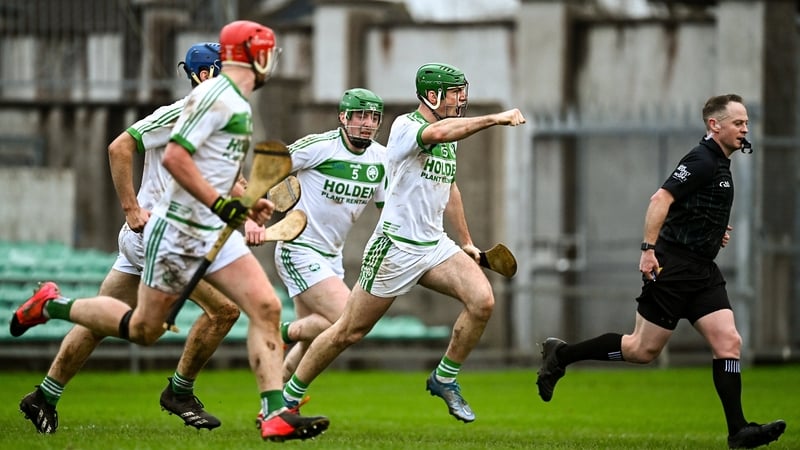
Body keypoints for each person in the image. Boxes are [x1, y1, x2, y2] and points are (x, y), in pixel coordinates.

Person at [9, 20, 329, 442]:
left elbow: (213, 171)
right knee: (146, 329)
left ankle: (274, 413)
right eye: (265, 51)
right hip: (175, 233)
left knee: (265, 308)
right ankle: (53, 305)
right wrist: (138, 208)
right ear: (245, 58)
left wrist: (248, 206)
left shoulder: (238, 104)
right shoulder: (210, 100)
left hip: (206, 230)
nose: (271, 61)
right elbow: (174, 158)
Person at [535, 94, 786, 449]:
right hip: (674, 268)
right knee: (641, 350)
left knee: (728, 342)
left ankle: (739, 431)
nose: (745, 129)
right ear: (715, 125)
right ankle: (561, 355)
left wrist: (713, 231)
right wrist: (648, 250)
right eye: (738, 123)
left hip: (702, 271)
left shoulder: (720, 163)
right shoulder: (701, 159)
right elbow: (661, 200)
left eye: (746, 123)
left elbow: (693, 207)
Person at [281, 62, 526, 424]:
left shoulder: (449, 135)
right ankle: (287, 400)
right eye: (455, 93)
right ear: (431, 95)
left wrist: (468, 242)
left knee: (482, 301)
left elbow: (450, 188)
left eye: (463, 92)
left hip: (434, 245)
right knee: (348, 330)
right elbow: (439, 134)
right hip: (394, 247)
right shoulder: (406, 127)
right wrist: (494, 119)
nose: (462, 100)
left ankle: (444, 378)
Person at [17, 42, 240, 434]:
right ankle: (179, 392)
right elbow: (120, 145)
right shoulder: (182, 113)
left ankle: (44, 394)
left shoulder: (221, 125)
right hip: (155, 235)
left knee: (100, 321)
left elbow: (225, 186)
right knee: (222, 312)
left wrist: (252, 207)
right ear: (204, 76)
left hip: (161, 237)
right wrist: (131, 208)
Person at [245, 88, 387, 382]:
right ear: (342, 117)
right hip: (298, 248)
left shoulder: (382, 159)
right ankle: (278, 331)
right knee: (348, 320)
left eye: (373, 117)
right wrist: (251, 219)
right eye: (360, 116)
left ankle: (278, 405)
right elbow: (267, 169)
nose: (367, 123)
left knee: (312, 339)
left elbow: (389, 211)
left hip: (331, 257)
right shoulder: (319, 147)